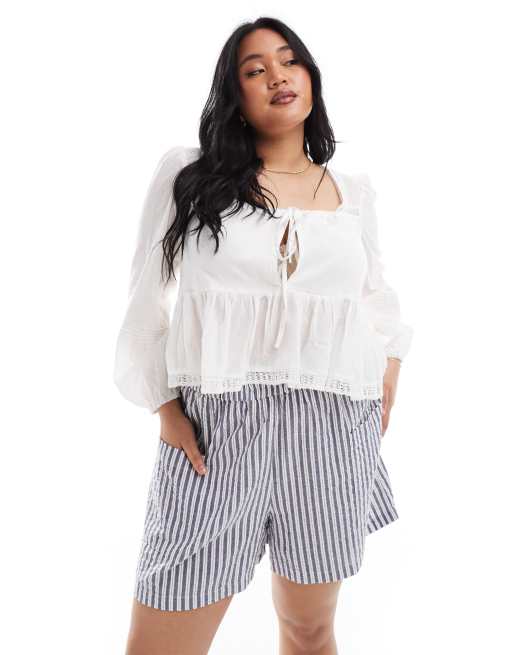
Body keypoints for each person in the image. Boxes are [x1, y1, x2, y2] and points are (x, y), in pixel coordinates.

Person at [114, 16, 414, 655]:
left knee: (309, 630)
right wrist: (164, 407)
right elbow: (144, 305)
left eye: (289, 61)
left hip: (332, 430)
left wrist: (390, 362)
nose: (277, 76)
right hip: (217, 431)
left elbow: (374, 299)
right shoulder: (189, 177)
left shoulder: (351, 192)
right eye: (255, 70)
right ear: (235, 96)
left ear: (311, 77)